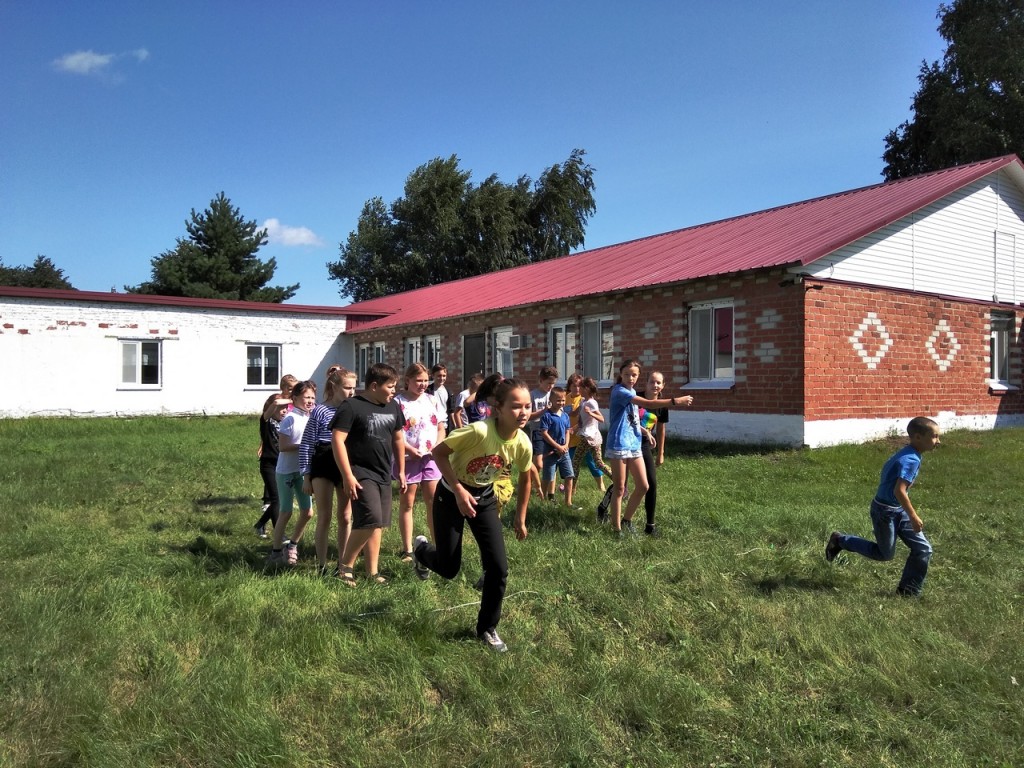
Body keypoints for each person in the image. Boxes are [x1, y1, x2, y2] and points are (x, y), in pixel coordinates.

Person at [413, 378, 533, 653]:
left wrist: (520, 517)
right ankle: (421, 551)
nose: (523, 412)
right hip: (450, 496)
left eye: (527, 406)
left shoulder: (522, 442)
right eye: (516, 406)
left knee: (498, 568)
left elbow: (526, 477)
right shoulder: (478, 431)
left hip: (484, 498)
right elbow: (438, 453)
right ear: (498, 407)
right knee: (449, 568)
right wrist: (458, 490)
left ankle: (487, 628)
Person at [825, 416, 940, 597]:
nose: (938, 441)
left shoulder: (909, 453)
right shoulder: (910, 460)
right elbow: (899, 491)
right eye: (934, 436)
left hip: (897, 509)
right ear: (918, 437)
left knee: (923, 549)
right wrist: (913, 516)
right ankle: (840, 541)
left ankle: (908, 591)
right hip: (885, 512)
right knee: (884, 554)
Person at [331, 363, 407, 586]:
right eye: (390, 386)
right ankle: (345, 567)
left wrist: (401, 470)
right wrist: (347, 475)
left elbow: (398, 439)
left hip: (383, 472)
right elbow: (337, 440)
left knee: (378, 523)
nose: (394, 391)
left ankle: (372, 573)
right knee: (370, 518)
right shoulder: (351, 406)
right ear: (374, 386)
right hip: (360, 472)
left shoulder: (393, 406)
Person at [605, 359, 691, 536]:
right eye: (627, 374)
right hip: (619, 444)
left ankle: (627, 520)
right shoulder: (619, 391)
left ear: (638, 376)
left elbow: (632, 418)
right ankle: (616, 530)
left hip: (635, 443)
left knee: (644, 486)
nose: (631, 378)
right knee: (620, 489)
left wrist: (646, 433)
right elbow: (649, 404)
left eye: (634, 375)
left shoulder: (631, 391)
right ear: (621, 374)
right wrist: (675, 401)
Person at [300, 368, 358, 576]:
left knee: (346, 516)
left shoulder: (353, 409)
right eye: (347, 387)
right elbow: (307, 443)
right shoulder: (320, 411)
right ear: (334, 387)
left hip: (345, 462)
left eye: (354, 388)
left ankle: (343, 564)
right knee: (324, 516)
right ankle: (322, 565)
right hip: (323, 461)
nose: (351, 392)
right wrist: (306, 475)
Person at [394, 363, 446, 568]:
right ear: (407, 381)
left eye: (426, 380)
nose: (423, 384)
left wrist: (438, 445)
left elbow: (441, 427)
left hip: (430, 457)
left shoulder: (432, 400)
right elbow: (395, 434)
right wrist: (409, 449)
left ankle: (437, 544)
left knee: (433, 502)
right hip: (408, 459)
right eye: (418, 381)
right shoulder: (398, 402)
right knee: (407, 503)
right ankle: (407, 549)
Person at [266, 380, 317, 567]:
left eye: (312, 397)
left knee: (308, 512)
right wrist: (306, 445)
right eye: (306, 397)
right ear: (294, 399)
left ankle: (292, 545)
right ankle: (276, 551)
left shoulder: (311, 417)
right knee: (286, 511)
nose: (310, 401)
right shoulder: (290, 418)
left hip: (302, 471)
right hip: (286, 472)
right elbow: (283, 446)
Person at [636, 371, 692, 536]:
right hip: (628, 443)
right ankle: (603, 508)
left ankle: (650, 525)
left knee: (651, 483)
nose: (655, 385)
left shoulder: (662, 405)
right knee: (621, 483)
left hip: (644, 445)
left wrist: (661, 453)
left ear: (663, 386)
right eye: (652, 382)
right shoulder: (637, 398)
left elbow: (661, 429)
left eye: (658, 383)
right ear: (646, 383)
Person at [253, 397, 290, 538]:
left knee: (281, 500)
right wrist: (294, 398)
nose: (284, 410)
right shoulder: (266, 421)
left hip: (283, 465)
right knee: (277, 499)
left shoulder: (286, 422)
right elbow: (274, 403)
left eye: (286, 408)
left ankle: (260, 524)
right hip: (269, 465)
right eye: (281, 408)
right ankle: (280, 535)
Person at [572, 376, 613, 495]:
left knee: (576, 462)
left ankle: (571, 489)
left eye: (581, 387)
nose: (578, 389)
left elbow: (601, 418)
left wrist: (591, 413)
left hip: (590, 437)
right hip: (589, 436)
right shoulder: (583, 401)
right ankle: (618, 480)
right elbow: (580, 420)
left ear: (587, 389)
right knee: (598, 463)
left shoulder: (591, 403)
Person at [539, 386, 574, 504]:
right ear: (551, 400)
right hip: (550, 452)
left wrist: (566, 445)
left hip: (564, 452)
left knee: (569, 476)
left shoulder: (565, 416)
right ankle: (542, 501)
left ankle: (568, 503)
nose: (561, 403)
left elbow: (567, 431)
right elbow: (544, 433)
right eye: (558, 400)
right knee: (548, 478)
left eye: (563, 400)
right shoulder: (547, 415)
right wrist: (557, 446)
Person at [527, 366, 558, 498]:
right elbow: (528, 416)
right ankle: (530, 485)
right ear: (541, 380)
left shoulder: (553, 394)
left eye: (553, 383)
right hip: (538, 432)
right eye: (548, 383)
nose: (551, 386)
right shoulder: (533, 395)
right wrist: (544, 410)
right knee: (538, 464)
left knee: (552, 463)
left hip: (552, 432)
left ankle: (551, 494)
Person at [427, 364, 450, 431]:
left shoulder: (448, 392)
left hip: (445, 425)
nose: (442, 378)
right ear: (433, 375)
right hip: (431, 425)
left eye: (444, 376)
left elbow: (451, 411)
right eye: (439, 376)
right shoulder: (428, 390)